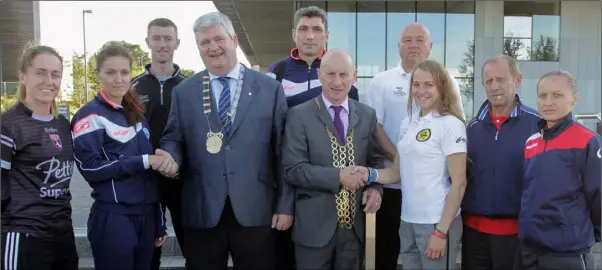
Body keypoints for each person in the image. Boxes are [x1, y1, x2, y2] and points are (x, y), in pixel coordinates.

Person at [159, 12, 294, 270]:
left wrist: (285, 205)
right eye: (205, 42)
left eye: (218, 39)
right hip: (203, 210)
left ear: (233, 40)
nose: (213, 47)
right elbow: (173, 138)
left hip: (256, 211)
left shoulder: (270, 89)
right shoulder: (184, 92)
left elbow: (283, 152)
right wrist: (170, 157)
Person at [365, 22, 465, 270]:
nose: (421, 91)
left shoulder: (451, 124)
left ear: (442, 87)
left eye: (429, 85)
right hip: (406, 222)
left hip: (435, 223)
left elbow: (459, 182)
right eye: (416, 85)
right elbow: (396, 172)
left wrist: (441, 231)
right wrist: (367, 174)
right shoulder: (408, 125)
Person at [282, 48, 384, 270]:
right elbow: (293, 169)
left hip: (354, 228)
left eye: (343, 74)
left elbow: (376, 161)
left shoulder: (367, 115)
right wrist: (338, 176)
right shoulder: (298, 115)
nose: (337, 81)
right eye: (330, 74)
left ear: (354, 76)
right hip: (314, 230)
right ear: (319, 74)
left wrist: (375, 187)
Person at [71, 45, 172, 270]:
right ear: (98, 75)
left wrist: (159, 219)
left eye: (124, 72)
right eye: (110, 72)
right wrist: (144, 160)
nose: (119, 79)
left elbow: (149, 177)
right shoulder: (89, 115)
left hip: (146, 216)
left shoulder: (137, 114)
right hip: (114, 217)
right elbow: (91, 169)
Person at [1, 45, 78, 270]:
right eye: (40, 72)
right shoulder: (9, 124)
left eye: (55, 74)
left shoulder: (62, 125)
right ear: (23, 76)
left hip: (62, 235)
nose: (49, 81)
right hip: (24, 235)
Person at [461, 55, 540, 270]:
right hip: (473, 234)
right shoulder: (471, 129)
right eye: (488, 81)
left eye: (501, 79)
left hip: (517, 235)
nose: (494, 86)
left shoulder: (538, 126)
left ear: (517, 79)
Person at [516, 71, 601, 270]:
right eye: (543, 95)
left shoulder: (588, 140)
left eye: (557, 95)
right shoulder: (531, 143)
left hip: (568, 253)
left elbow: (598, 195)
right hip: (530, 250)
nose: (548, 102)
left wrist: (583, 234)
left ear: (574, 99)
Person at [131, 18, 188, 269]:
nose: (162, 44)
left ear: (177, 42)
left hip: (182, 179)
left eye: (168, 38)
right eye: (156, 38)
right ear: (147, 43)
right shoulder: (132, 87)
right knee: (149, 248)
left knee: (193, 245)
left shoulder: (189, 86)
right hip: (146, 179)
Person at [265, 6, 359, 109]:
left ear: (326, 36)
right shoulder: (276, 71)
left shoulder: (344, 72)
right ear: (294, 35)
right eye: (303, 29)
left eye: (317, 30)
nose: (310, 36)